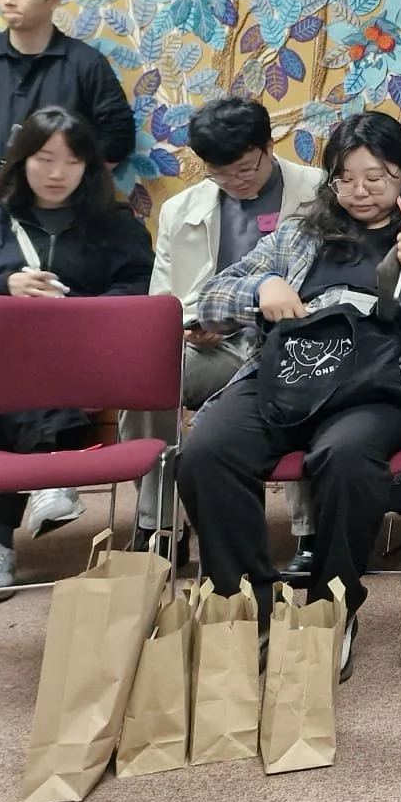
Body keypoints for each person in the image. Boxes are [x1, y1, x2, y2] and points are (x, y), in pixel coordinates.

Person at [176, 112, 401, 660]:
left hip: (387, 384)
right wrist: (262, 286)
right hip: (292, 372)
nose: (359, 192)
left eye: (376, 178)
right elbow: (212, 300)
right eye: (345, 178)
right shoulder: (301, 233)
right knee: (206, 451)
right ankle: (250, 607)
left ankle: (328, 610)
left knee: (345, 455)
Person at [0, 106, 153, 602]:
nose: (57, 173)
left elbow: (141, 288)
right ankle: (45, 481)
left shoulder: (115, 223)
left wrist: (77, 311)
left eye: (71, 161)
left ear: (89, 166)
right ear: (22, 161)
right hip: (8, 365)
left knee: (6, 379)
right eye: (44, 159)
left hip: (89, 360)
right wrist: (4, 285)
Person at [123, 97, 324, 557]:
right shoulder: (180, 210)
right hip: (216, 345)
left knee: (309, 370)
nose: (236, 182)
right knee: (147, 376)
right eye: (220, 173)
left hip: (292, 339)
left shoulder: (318, 190)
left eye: (246, 169)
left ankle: (312, 529)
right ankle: (160, 524)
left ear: (269, 146)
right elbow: (163, 301)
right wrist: (190, 324)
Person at [0, 0, 135, 227]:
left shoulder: (85, 63)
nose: (8, 1)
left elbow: (119, 136)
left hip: (62, 211)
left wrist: (73, 175)